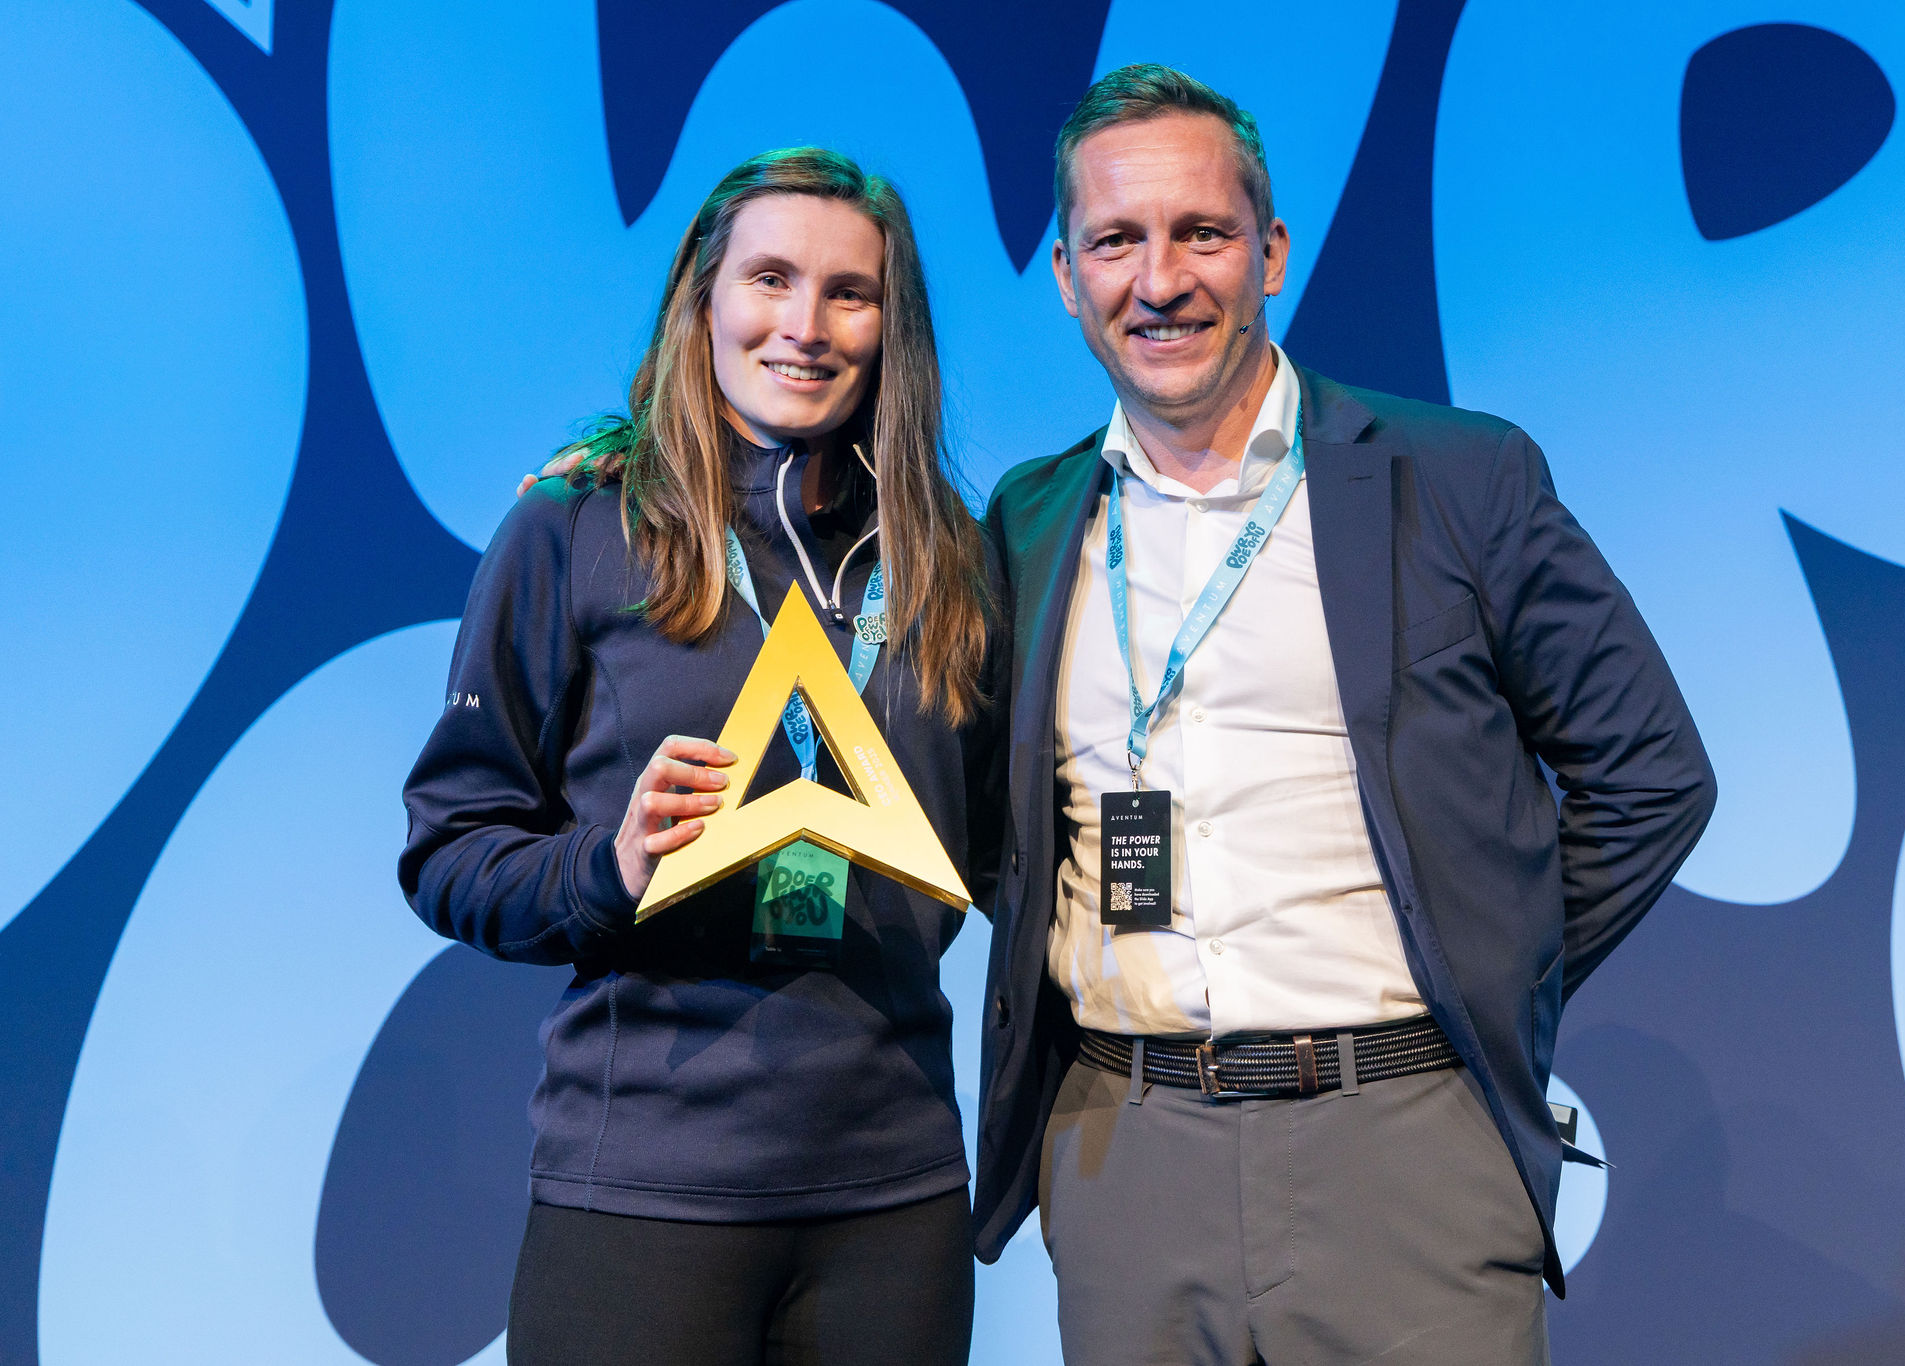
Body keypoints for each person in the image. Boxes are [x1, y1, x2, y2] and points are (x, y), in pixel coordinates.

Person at [973, 65, 1716, 1364]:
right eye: (1117, 240)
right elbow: (998, 826)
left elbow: (1650, 775)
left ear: (1269, 253)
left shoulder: (1460, 477)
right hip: (1123, 1148)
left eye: (1202, 233)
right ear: (1065, 274)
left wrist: (1490, 962)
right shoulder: (1028, 521)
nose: (1160, 280)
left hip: (1402, 1136)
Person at [400, 147, 998, 1366]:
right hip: (641, 1193)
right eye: (769, 279)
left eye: (849, 292)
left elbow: (1001, 844)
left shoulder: (948, 556)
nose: (805, 326)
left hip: (894, 1201)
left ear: (890, 324)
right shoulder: (573, 527)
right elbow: (449, 852)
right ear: (702, 298)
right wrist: (609, 866)